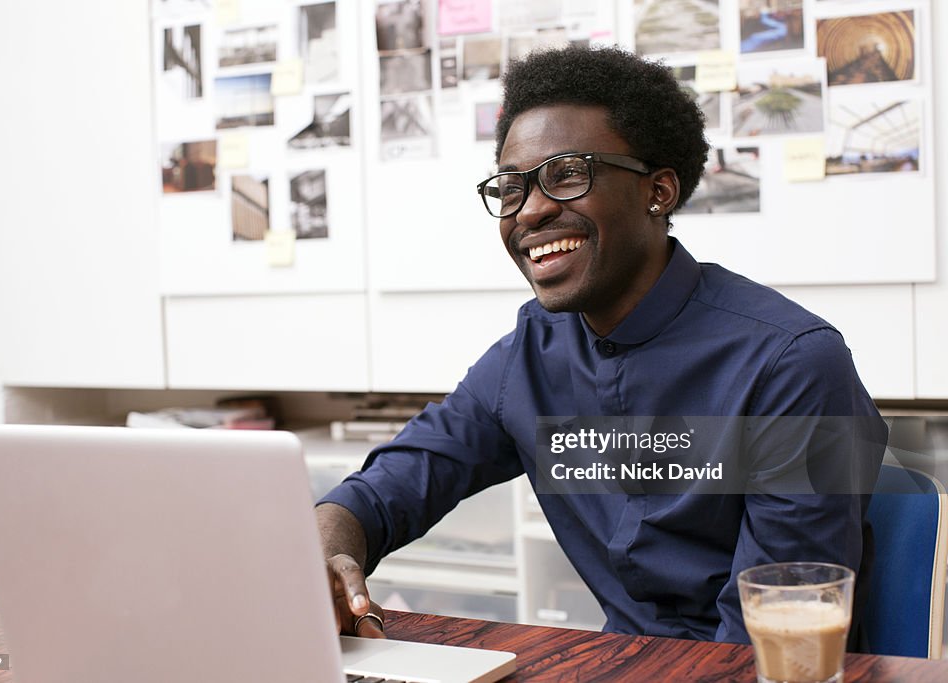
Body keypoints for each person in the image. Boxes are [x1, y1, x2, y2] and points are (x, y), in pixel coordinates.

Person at [316, 45, 886, 645]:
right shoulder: (528, 355)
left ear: (658, 192)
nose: (530, 211)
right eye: (511, 188)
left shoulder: (793, 362)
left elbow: (777, 626)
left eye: (567, 174)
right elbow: (392, 486)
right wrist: (328, 552)